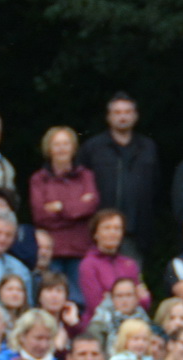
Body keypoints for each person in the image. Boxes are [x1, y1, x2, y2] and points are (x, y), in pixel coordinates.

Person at [78, 92, 157, 255]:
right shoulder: (93, 148)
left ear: (135, 116)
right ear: (108, 117)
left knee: (131, 277)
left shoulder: (147, 148)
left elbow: (156, 187)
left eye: (127, 112)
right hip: (99, 232)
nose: (123, 117)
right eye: (117, 112)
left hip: (135, 232)